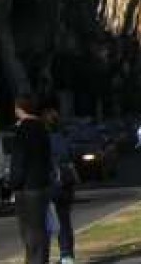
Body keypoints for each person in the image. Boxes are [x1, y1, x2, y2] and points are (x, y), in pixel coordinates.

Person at [10, 95, 53, 264]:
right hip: (42, 184)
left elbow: (19, 160)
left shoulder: (22, 130)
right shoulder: (42, 129)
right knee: (40, 229)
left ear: (19, 109)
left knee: (29, 231)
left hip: (27, 188)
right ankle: (40, 259)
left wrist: (13, 183)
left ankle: (34, 260)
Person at [42, 104, 79, 264]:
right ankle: (67, 256)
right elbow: (72, 157)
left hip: (50, 184)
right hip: (66, 184)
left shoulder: (43, 140)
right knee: (65, 222)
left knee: (47, 224)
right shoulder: (64, 138)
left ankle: (45, 256)